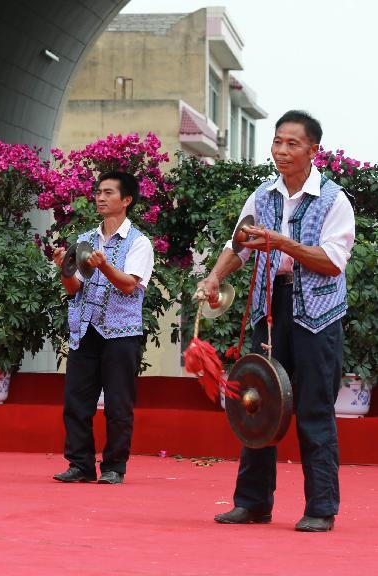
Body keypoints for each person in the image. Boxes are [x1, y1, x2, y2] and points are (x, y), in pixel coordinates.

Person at [199, 110, 354, 532]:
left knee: (313, 408)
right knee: (259, 401)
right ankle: (252, 503)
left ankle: (321, 507)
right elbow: (240, 245)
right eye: (277, 142)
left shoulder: (334, 199)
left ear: (313, 151)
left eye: (292, 144)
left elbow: (333, 262)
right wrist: (214, 276)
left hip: (318, 315)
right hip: (270, 309)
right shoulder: (262, 196)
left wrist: (283, 242)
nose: (282, 151)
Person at [51, 171, 154, 485]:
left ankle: (113, 467)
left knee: (118, 404)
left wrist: (105, 265)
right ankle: (80, 465)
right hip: (86, 329)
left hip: (122, 334)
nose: (100, 197)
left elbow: (128, 286)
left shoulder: (140, 243)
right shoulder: (85, 240)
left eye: (109, 192)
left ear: (126, 201)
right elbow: (73, 289)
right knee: (76, 401)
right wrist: (65, 268)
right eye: (98, 192)